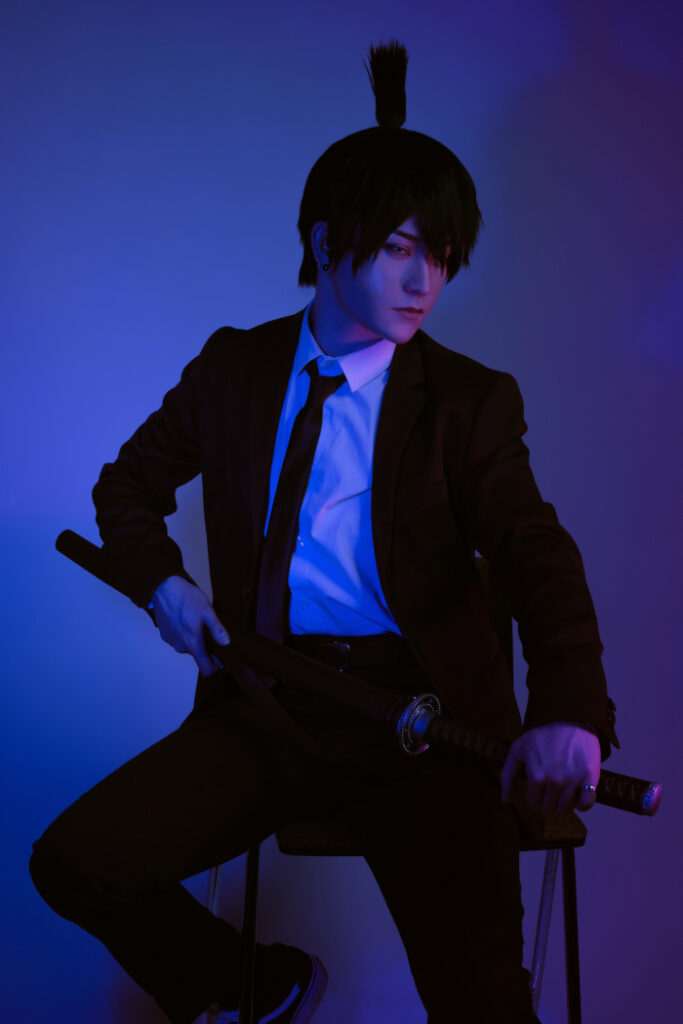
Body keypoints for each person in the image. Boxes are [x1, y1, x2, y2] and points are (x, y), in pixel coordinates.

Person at [30, 42, 618, 1024]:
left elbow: (534, 552)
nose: (424, 278)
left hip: (424, 725)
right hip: (270, 703)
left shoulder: (466, 403)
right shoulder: (235, 369)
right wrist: (163, 584)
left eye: (441, 254)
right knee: (78, 861)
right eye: (397, 247)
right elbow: (125, 489)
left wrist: (569, 711)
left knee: (482, 1006)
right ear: (322, 239)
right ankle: (255, 986)